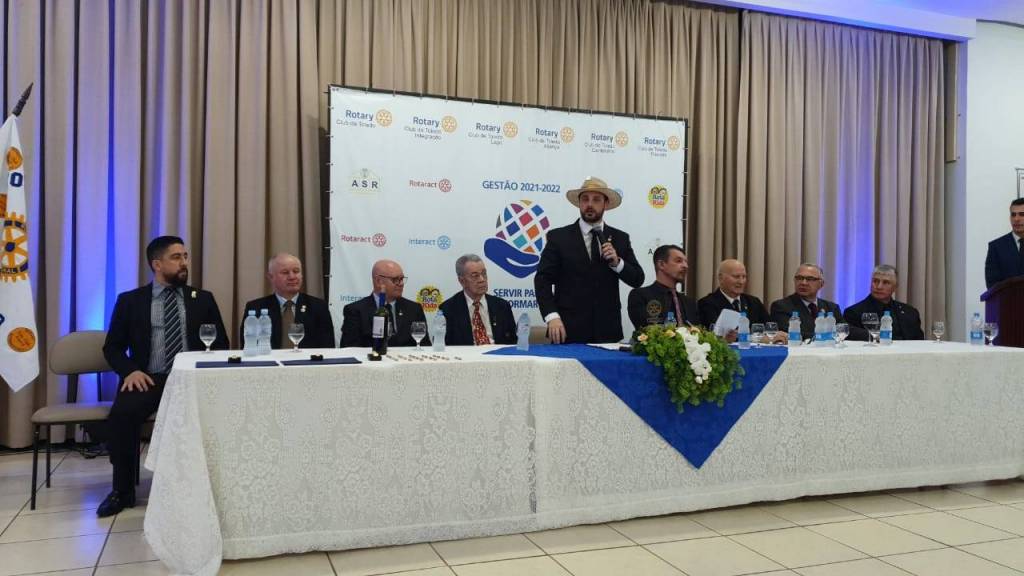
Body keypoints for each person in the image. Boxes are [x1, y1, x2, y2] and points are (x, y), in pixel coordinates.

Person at [99, 236, 229, 517]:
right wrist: (130, 371)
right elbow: (112, 347)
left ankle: (217, 486)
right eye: (176, 257)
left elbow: (221, 343)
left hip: (192, 379)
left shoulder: (202, 299)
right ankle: (122, 490)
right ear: (157, 264)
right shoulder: (131, 301)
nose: (184, 263)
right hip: (149, 378)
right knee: (122, 416)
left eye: (185, 256)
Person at [534, 177, 644, 344]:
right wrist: (552, 316)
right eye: (585, 199)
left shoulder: (620, 238)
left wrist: (617, 263)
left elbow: (637, 279)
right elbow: (542, 280)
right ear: (579, 203)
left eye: (596, 199)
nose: (589, 204)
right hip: (567, 330)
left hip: (607, 331)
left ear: (606, 204)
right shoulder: (558, 237)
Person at [240, 253, 335, 349]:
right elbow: (248, 345)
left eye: (296, 271)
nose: (292, 277)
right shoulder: (256, 308)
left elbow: (327, 346)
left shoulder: (318, 307)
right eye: (285, 272)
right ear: (271, 277)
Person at [340, 259, 429, 347]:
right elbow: (349, 348)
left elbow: (424, 346)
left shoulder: (414, 309)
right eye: (395, 279)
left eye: (402, 279)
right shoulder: (355, 311)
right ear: (378, 281)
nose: (401, 283)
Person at [438, 254, 517, 345]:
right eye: (475, 276)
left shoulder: (502, 306)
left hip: (498, 352)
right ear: (462, 281)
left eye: (484, 274)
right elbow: (442, 344)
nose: (482, 279)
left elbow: (514, 341)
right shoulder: (448, 309)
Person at [698, 259, 780, 342]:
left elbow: (770, 329)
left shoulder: (753, 302)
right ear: (721, 278)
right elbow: (714, 335)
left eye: (744, 277)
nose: (741, 282)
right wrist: (755, 338)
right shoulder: (707, 303)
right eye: (736, 277)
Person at [627, 245, 700, 331]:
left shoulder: (690, 303)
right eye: (678, 261)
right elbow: (646, 329)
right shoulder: (640, 295)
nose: (685, 266)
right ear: (661, 264)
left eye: (686, 262)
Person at [843, 265, 924, 340]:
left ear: (895, 287)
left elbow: (919, 342)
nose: (879, 287)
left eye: (886, 282)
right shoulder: (854, 312)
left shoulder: (910, 312)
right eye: (875, 281)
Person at [770, 263, 842, 340]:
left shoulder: (831, 307)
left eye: (810, 279)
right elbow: (791, 334)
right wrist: (828, 336)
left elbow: (843, 330)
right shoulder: (781, 306)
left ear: (821, 284)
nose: (803, 283)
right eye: (799, 278)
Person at [984, 198, 1024, 288]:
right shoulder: (996, 247)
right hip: (1008, 297)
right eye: (1013, 215)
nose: (1016, 219)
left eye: (1022, 214)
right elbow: (993, 285)